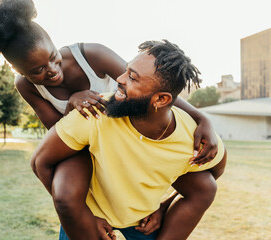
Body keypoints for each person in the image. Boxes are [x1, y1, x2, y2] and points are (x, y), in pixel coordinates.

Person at [0, 0, 220, 239]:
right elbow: (56, 130)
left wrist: (200, 116)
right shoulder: (25, 86)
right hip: (80, 143)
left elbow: (149, 87)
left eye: (52, 56)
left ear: (54, 42)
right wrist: (72, 103)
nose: (52, 70)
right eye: (37, 70)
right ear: (18, 72)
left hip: (123, 127)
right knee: (66, 194)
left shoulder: (90, 54)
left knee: (199, 186)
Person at [31, 39, 227, 240]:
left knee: (206, 186)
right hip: (89, 215)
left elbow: (214, 173)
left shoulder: (191, 136)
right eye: (126, 70)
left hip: (141, 221)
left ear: (161, 100)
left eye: (132, 78)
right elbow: (40, 161)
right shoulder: (95, 112)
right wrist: (86, 216)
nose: (120, 78)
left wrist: (164, 206)